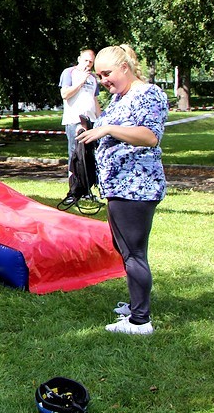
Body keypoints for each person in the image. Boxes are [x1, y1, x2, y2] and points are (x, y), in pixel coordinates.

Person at [76, 44, 167, 336]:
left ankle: (141, 321)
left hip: (136, 187)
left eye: (107, 74)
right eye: (99, 75)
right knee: (125, 249)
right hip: (119, 186)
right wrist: (91, 130)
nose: (103, 80)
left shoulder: (149, 94)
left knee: (133, 253)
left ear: (124, 68)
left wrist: (107, 130)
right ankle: (135, 305)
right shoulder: (120, 97)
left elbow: (150, 136)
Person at [59, 49, 101, 160]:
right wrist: (81, 81)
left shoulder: (93, 78)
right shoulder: (69, 72)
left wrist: (101, 120)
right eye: (85, 60)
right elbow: (65, 94)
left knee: (91, 155)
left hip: (91, 121)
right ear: (79, 59)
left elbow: (95, 100)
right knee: (76, 156)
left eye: (90, 62)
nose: (88, 64)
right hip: (74, 121)